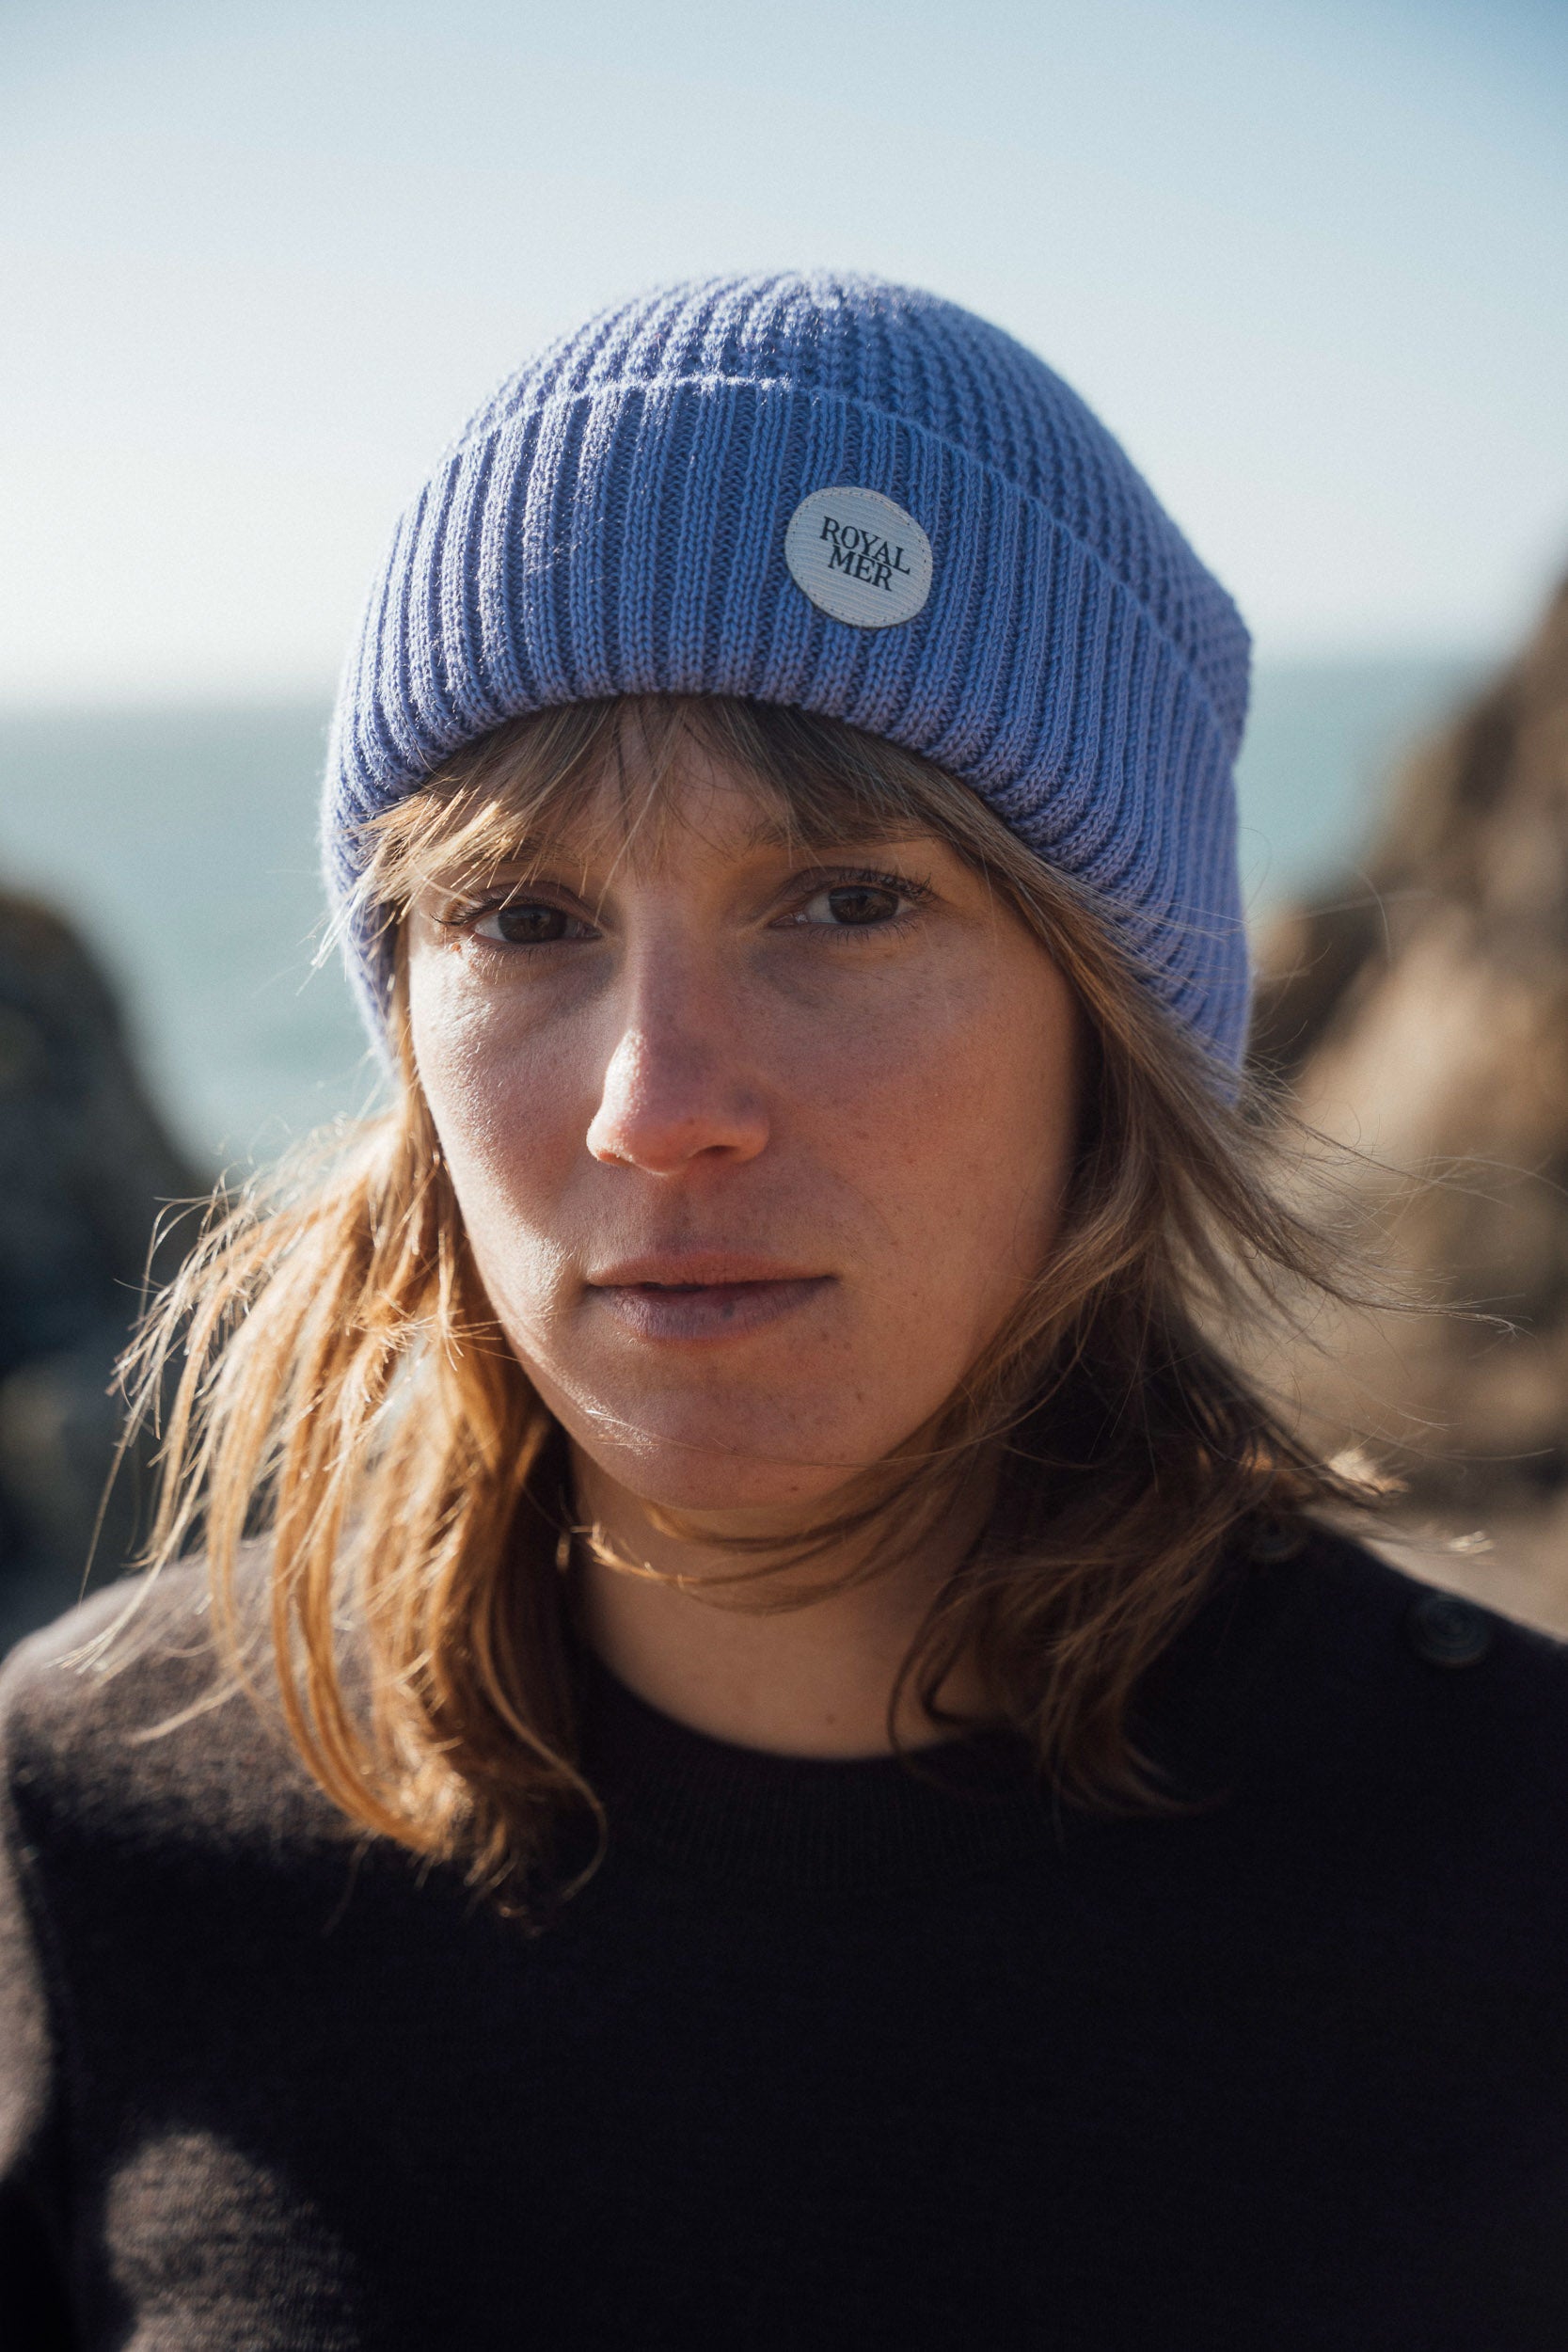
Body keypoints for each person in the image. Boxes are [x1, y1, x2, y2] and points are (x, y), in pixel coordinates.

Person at [2, 274, 1564, 2352]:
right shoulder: (97, 1819)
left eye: (848, 901)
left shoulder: (1515, 1854)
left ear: (1116, 1022)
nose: (659, 1105)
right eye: (524, 916)